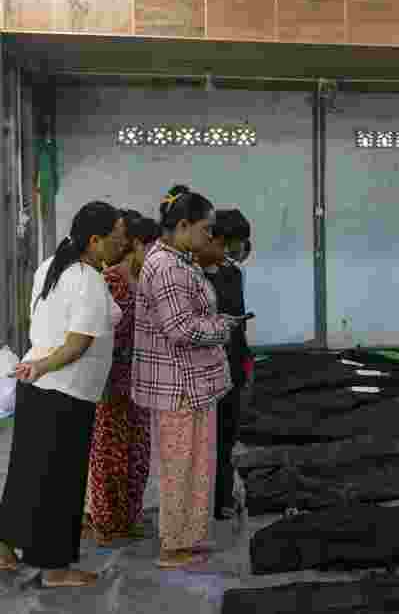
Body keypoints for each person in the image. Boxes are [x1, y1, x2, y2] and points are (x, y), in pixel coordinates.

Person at [0, 201, 125, 587]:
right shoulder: (87, 278)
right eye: (116, 240)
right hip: (64, 392)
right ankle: (54, 568)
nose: (121, 246)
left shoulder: (51, 266)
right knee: (61, 483)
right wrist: (44, 366)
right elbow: (76, 344)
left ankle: (5, 547)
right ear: (95, 240)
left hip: (39, 391)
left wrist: (37, 368)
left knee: (27, 475)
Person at [132, 185, 244, 569]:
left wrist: (217, 324)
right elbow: (180, 328)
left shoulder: (180, 260)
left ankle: (188, 538)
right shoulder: (165, 266)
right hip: (178, 383)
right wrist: (221, 329)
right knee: (180, 466)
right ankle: (172, 543)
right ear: (182, 225)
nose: (210, 237)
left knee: (198, 462)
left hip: (194, 382)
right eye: (205, 228)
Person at [82, 214, 161, 545]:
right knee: (109, 452)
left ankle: (129, 516)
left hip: (138, 377)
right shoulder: (110, 281)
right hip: (112, 377)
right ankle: (105, 522)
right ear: (136, 246)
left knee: (138, 451)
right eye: (153, 247)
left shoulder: (143, 282)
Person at [194, 208, 253, 520]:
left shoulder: (232, 273)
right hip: (203, 370)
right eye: (231, 243)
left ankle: (221, 499)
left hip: (231, 365)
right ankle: (201, 502)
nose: (234, 251)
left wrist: (244, 362)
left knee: (227, 436)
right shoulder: (193, 274)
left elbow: (239, 322)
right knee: (205, 438)